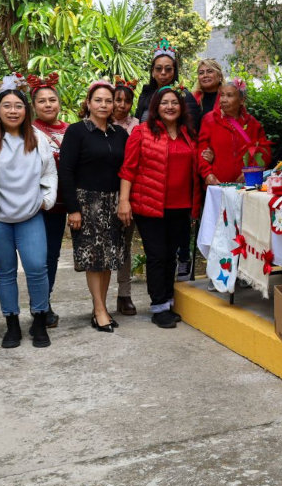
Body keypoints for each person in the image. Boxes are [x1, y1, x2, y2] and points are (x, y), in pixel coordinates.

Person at [0, 79, 58, 349]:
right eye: (7, 106)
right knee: (5, 272)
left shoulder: (37, 138)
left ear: (26, 110)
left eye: (18, 106)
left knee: (37, 268)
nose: (13, 111)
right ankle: (12, 323)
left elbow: (49, 173)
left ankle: (39, 320)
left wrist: (46, 200)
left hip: (31, 216)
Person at [119, 87, 201, 328]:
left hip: (180, 206)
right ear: (156, 106)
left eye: (174, 102)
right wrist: (124, 201)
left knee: (171, 256)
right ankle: (158, 307)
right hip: (150, 204)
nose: (170, 107)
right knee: (157, 256)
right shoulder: (142, 132)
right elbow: (128, 169)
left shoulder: (188, 134)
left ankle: (167, 302)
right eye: (164, 102)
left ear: (181, 107)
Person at [58, 81, 129, 330]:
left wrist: (124, 200)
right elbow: (66, 171)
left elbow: (127, 169)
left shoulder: (120, 133)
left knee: (109, 259)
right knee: (94, 259)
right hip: (87, 203)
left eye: (108, 101)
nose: (104, 105)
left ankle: (101, 307)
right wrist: (73, 209)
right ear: (88, 103)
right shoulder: (77, 131)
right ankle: (99, 309)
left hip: (113, 203)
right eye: (98, 100)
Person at [31, 79, 67, 329]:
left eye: (52, 100)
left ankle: (45, 302)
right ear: (34, 105)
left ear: (59, 103)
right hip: (35, 205)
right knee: (37, 258)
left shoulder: (71, 130)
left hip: (60, 205)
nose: (47, 105)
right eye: (42, 101)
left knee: (52, 255)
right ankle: (38, 306)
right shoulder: (27, 130)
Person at [198, 81, 272, 186]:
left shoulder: (253, 124)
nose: (223, 100)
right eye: (222, 95)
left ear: (242, 100)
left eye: (229, 95)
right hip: (217, 185)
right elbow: (201, 151)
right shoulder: (209, 120)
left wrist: (251, 171)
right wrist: (207, 174)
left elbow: (264, 153)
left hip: (247, 186)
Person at [110, 81, 140, 314]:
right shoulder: (98, 122)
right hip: (102, 191)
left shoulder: (137, 126)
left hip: (128, 192)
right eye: (117, 100)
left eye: (126, 101)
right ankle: (99, 301)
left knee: (125, 245)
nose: (121, 105)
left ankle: (124, 294)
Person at [135, 43, 202, 131]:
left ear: (174, 72)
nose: (163, 72)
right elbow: (137, 122)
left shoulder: (183, 95)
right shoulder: (145, 94)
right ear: (152, 72)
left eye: (168, 69)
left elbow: (193, 127)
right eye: (158, 68)